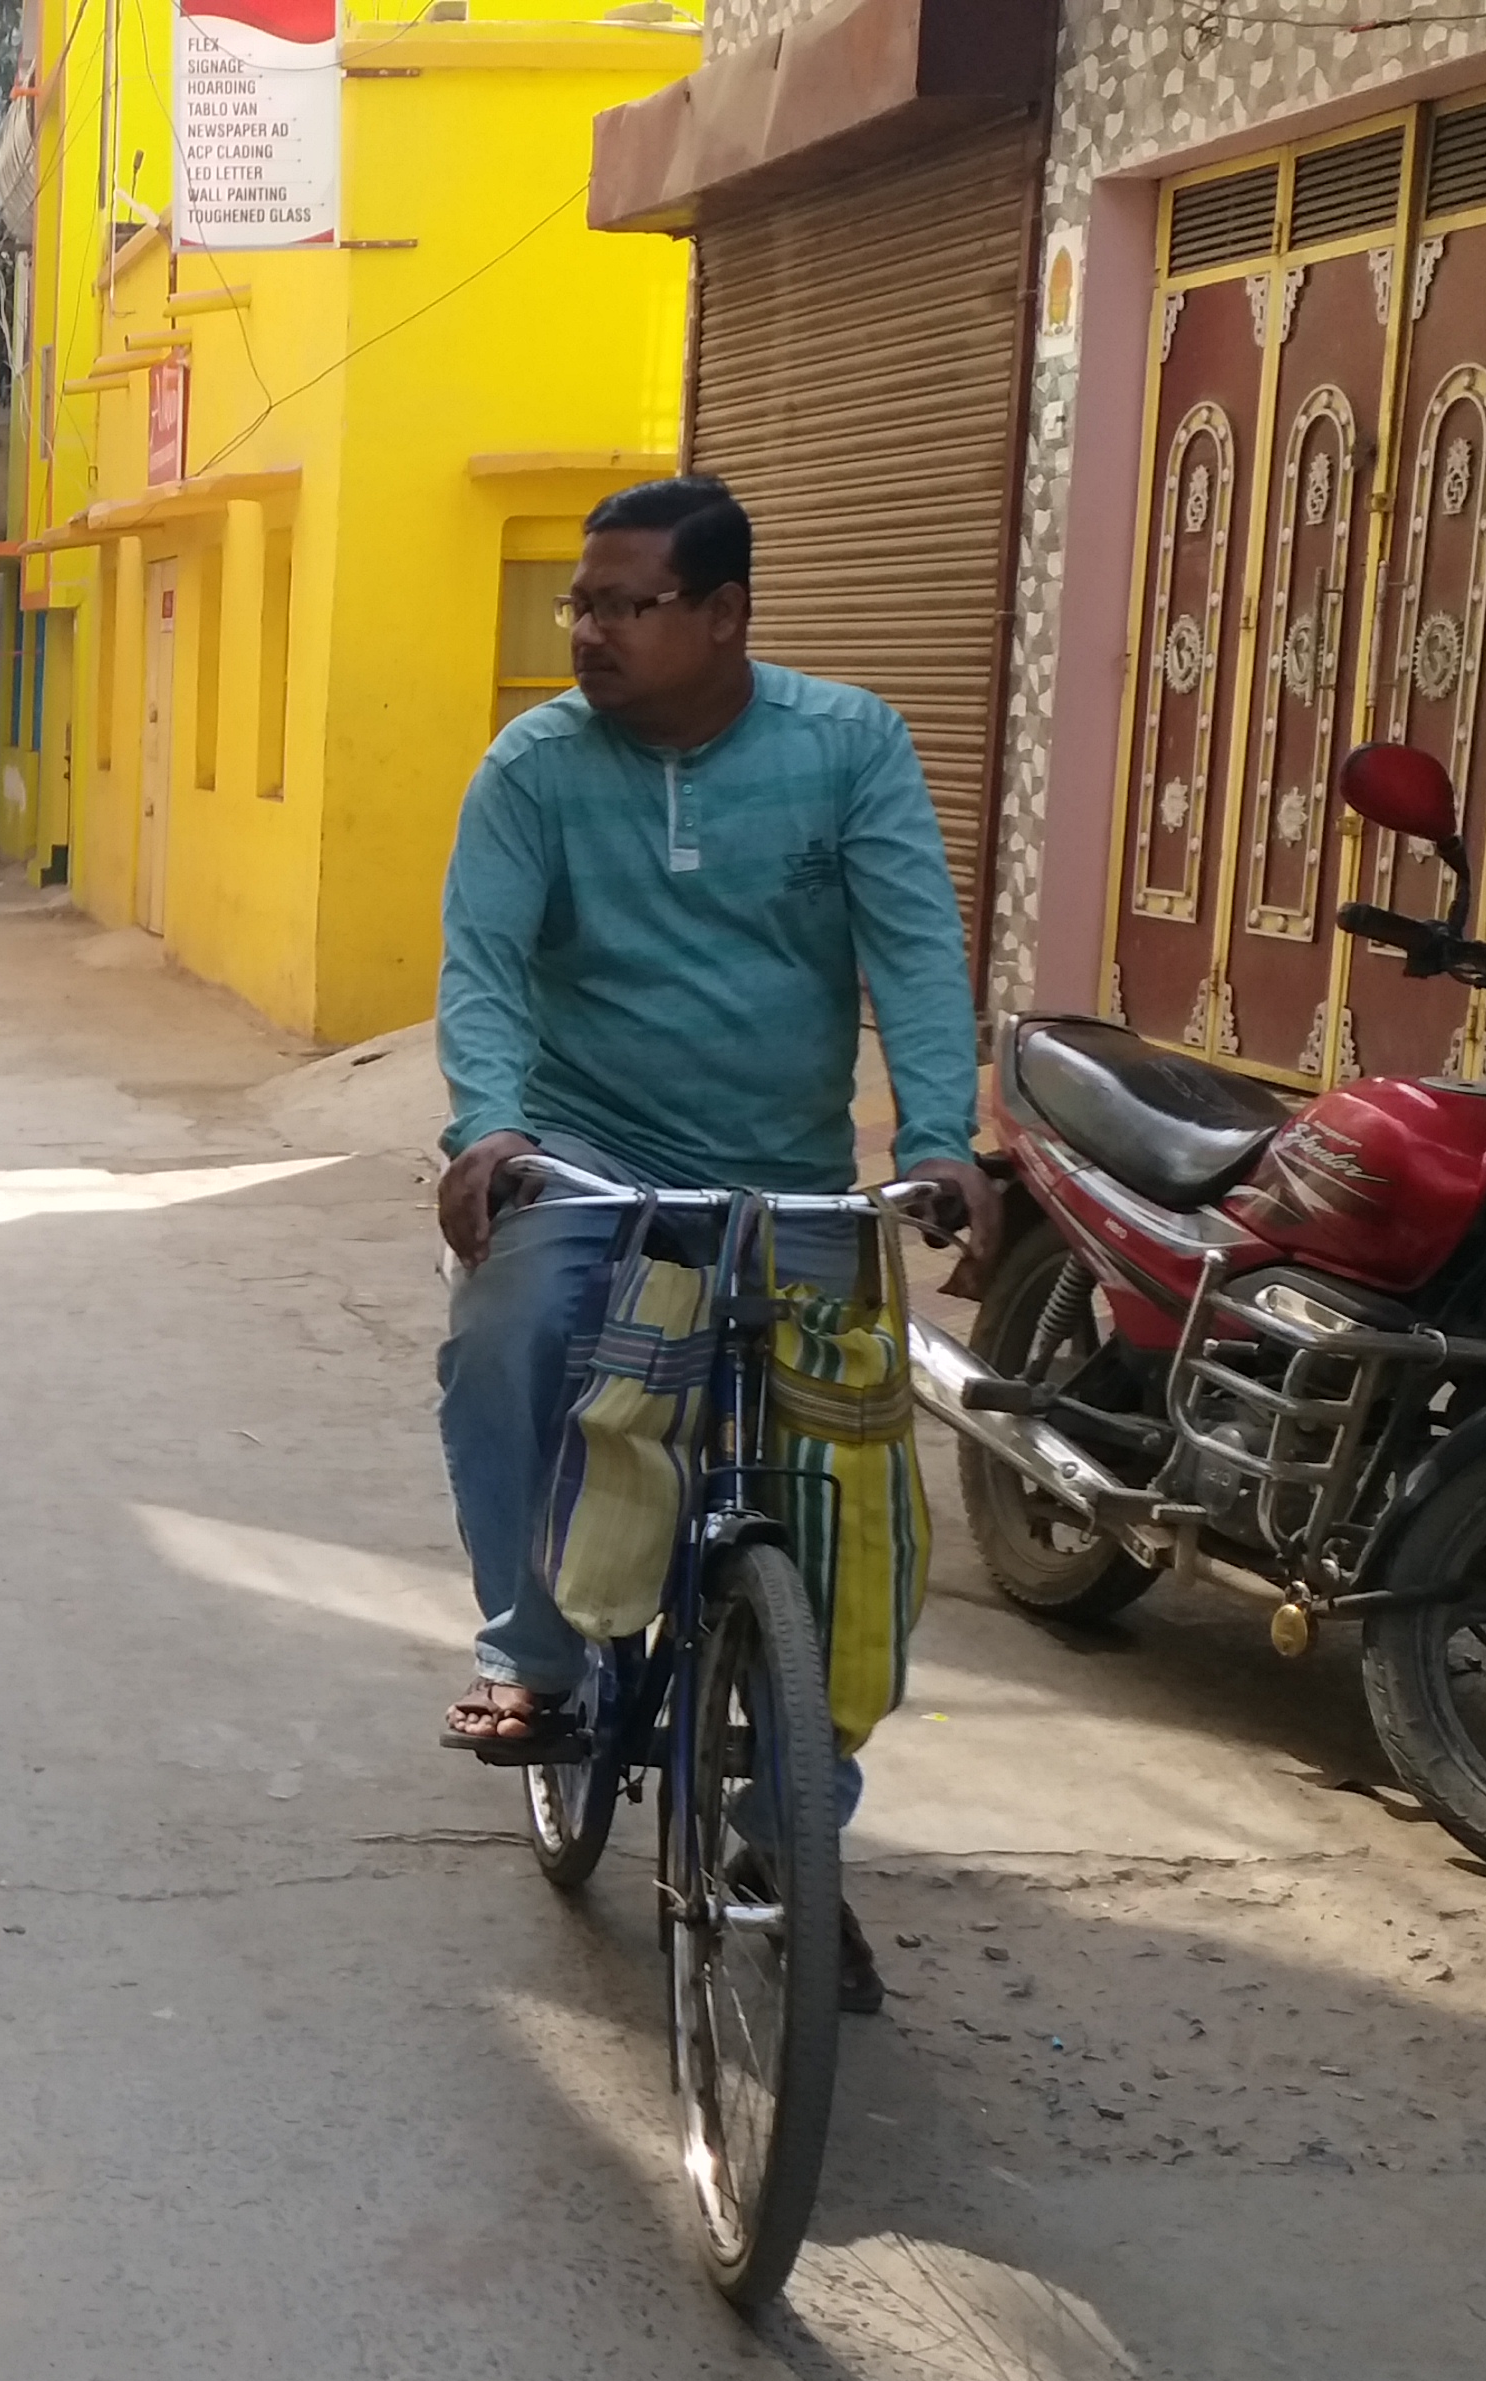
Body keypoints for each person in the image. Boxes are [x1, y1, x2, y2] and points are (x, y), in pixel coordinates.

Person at [427, 476, 994, 2016]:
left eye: (625, 605)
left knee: (843, 1498)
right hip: (588, 1159)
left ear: (727, 613)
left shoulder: (847, 746)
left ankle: (787, 1843)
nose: (590, 632)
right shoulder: (536, 768)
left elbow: (916, 952)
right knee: (508, 1336)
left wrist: (937, 1135)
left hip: (788, 1175)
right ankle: (535, 1653)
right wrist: (488, 1128)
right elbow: (480, 969)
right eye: (582, 605)